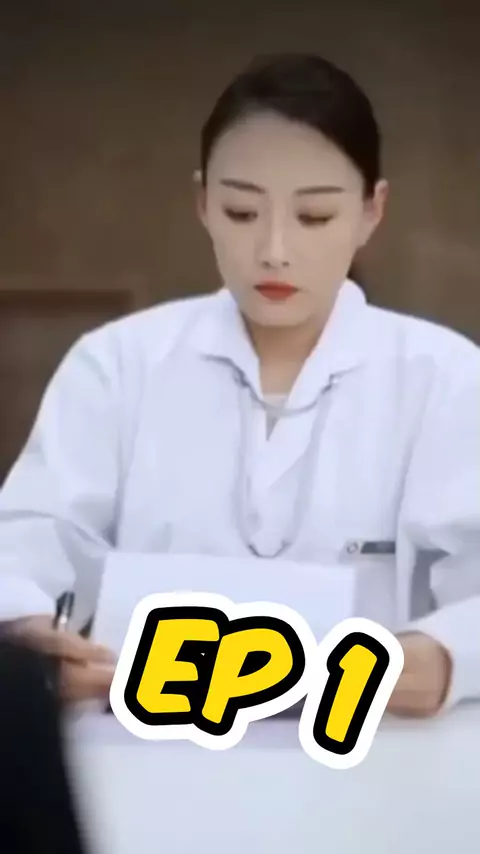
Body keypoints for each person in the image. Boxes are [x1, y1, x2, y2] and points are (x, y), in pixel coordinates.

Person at [0, 52, 479, 718]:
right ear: (203, 202)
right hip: (137, 753)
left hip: (371, 756)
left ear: (373, 210)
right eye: (242, 211)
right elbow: (23, 547)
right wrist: (26, 635)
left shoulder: (445, 378)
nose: (274, 250)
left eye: (314, 217)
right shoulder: (117, 365)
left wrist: (446, 656)